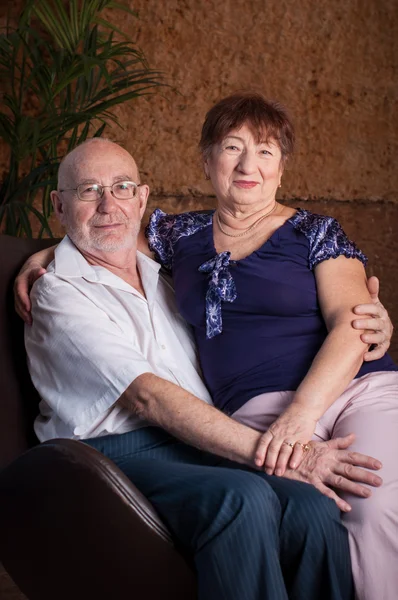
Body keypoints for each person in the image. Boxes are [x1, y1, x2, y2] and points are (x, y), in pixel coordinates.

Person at [23, 137, 365, 600]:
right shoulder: (57, 293)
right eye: (88, 191)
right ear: (59, 207)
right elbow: (150, 397)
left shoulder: (167, 276)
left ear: (142, 199)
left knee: (311, 506)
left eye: (122, 187)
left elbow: (275, 318)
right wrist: (286, 455)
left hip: (194, 442)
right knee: (241, 499)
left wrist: (366, 313)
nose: (109, 205)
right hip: (105, 458)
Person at [140, 92, 398, 600]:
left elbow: (353, 325)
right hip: (252, 414)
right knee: (312, 514)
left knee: (373, 505)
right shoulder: (176, 234)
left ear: (282, 166)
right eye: (232, 147)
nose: (247, 165)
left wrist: (301, 416)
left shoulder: (316, 232)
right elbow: (101, 239)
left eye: (265, 151)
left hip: (353, 390)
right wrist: (42, 263)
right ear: (206, 158)